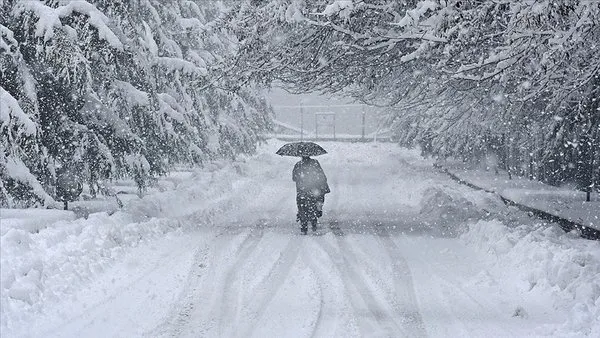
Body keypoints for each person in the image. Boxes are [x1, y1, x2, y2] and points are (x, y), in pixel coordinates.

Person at [292, 156, 330, 234]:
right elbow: (321, 175)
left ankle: (304, 226)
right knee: (314, 205)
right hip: (314, 190)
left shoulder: (298, 165)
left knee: (302, 207)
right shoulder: (315, 163)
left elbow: (294, 178)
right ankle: (314, 222)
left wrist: (301, 180)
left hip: (302, 191)